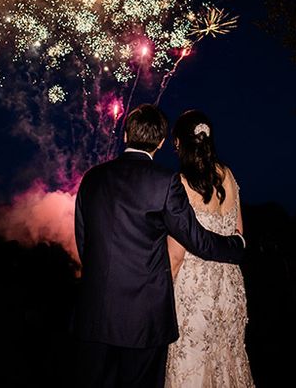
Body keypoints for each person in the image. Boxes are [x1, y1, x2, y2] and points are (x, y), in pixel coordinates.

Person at [72, 103, 246, 388]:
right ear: (162, 142)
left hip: (95, 313)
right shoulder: (165, 183)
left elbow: (84, 240)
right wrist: (235, 246)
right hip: (144, 318)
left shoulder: (92, 177)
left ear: (126, 135)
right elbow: (196, 239)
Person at [165, 109, 254, 387]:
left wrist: (161, 293)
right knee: (228, 362)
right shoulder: (228, 175)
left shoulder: (180, 184)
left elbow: (176, 255)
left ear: (179, 142)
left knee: (192, 365)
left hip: (194, 291)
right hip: (229, 286)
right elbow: (239, 234)